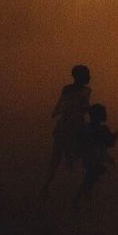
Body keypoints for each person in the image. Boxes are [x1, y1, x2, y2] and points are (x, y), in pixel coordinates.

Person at [43, 64, 91, 195]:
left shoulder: (70, 89)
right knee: (68, 156)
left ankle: (50, 185)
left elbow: (62, 105)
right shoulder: (84, 91)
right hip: (72, 126)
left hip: (68, 125)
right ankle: (61, 186)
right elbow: (83, 107)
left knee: (61, 156)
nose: (89, 77)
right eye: (87, 74)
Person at [72, 104, 118, 208]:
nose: (106, 115)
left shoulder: (87, 127)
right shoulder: (101, 128)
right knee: (90, 176)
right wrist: (114, 137)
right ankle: (78, 198)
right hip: (95, 157)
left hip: (89, 157)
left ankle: (84, 195)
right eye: (104, 113)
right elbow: (109, 142)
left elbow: (80, 140)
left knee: (91, 176)